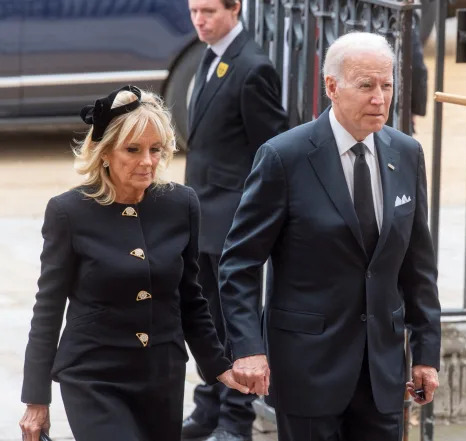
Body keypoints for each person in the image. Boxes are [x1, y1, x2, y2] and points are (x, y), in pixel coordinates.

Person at [217, 31, 441, 441]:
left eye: (387, 85)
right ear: (332, 87)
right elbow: (239, 263)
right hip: (308, 368)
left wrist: (426, 354)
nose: (380, 98)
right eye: (366, 85)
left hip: (382, 372)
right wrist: (248, 347)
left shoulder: (406, 154)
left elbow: (418, 266)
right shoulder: (285, 157)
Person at [18, 86, 245, 441]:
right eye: (133, 150)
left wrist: (218, 366)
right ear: (105, 152)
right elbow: (47, 308)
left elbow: (190, 299)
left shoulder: (181, 205)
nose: (148, 161)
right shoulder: (68, 212)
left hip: (162, 376)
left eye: (156, 150)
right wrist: (36, 400)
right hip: (93, 376)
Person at [183, 0, 288, 440]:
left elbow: (273, 150)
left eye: (208, 11)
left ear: (235, 8)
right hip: (203, 217)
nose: (199, 20)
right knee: (206, 319)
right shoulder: (209, 58)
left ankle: (235, 419)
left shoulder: (252, 67)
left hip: (232, 220)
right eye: (193, 11)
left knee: (234, 322)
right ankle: (208, 408)